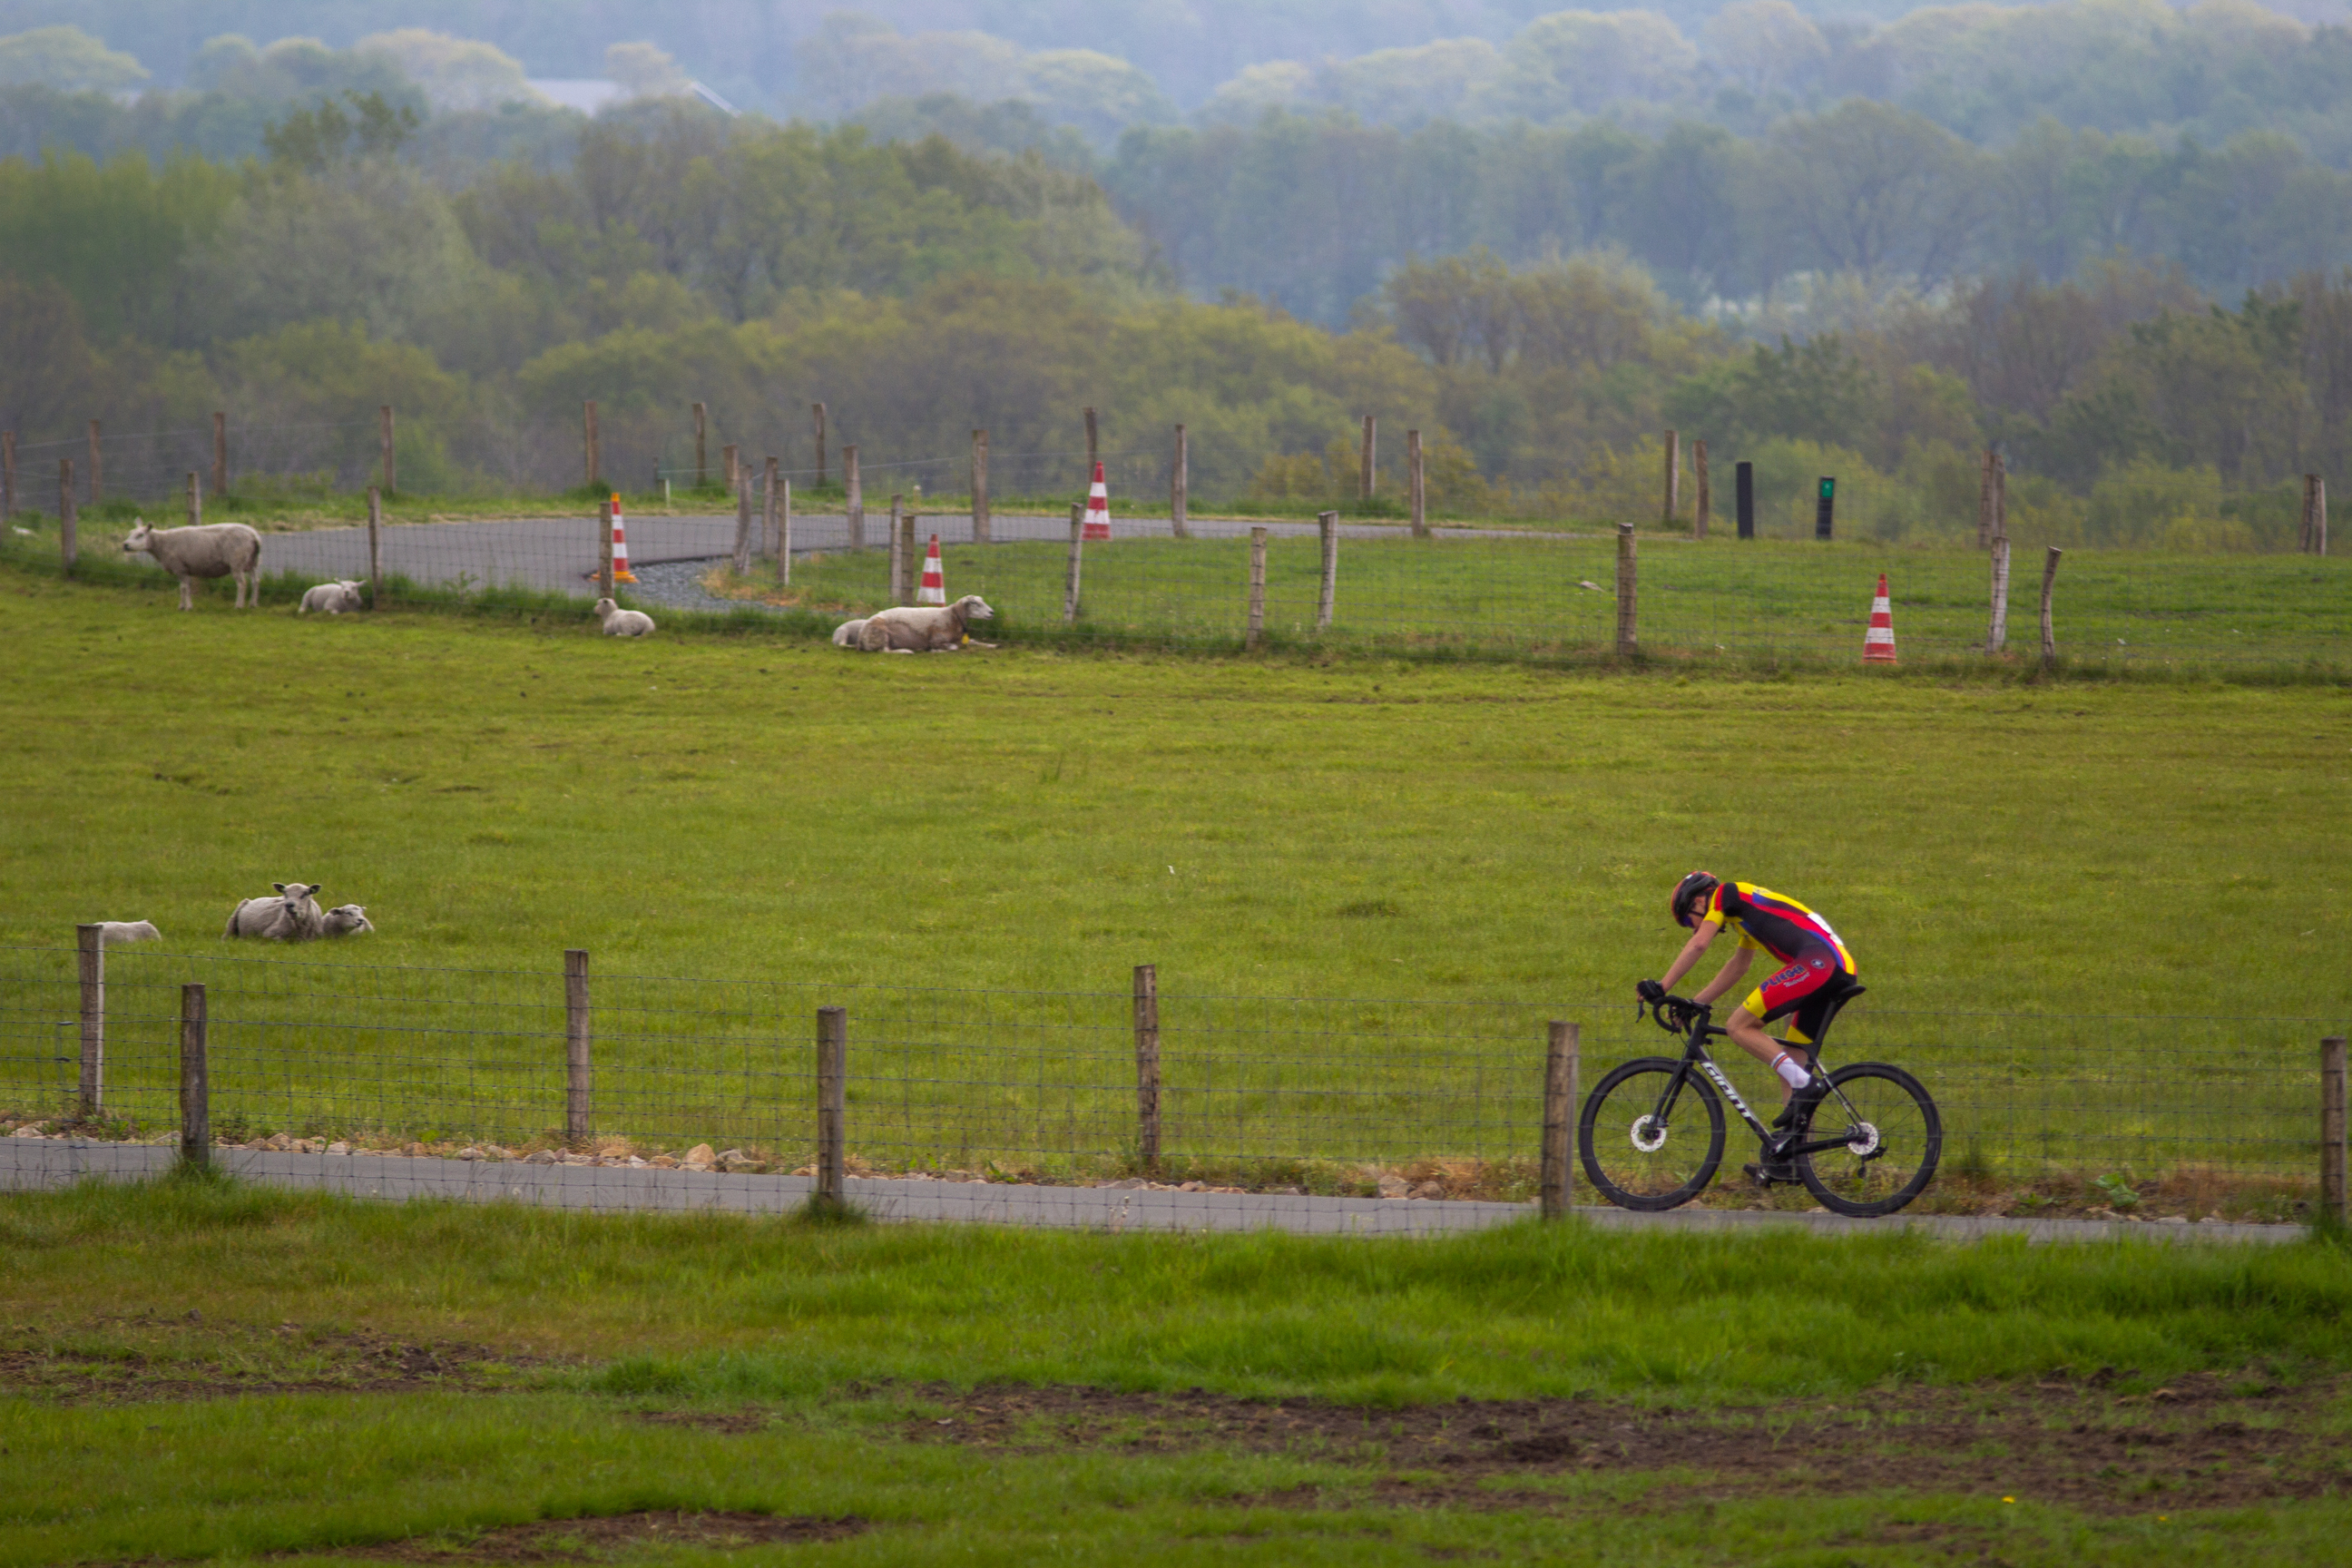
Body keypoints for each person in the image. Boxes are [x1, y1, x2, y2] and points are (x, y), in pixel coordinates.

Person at [1638, 872, 1858, 1183]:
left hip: (1819, 964)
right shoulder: (1744, 913)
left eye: (1688, 921)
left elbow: (1699, 945)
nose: (1694, 928)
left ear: (1699, 900)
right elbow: (1738, 967)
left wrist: (1661, 986)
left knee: (1738, 1026)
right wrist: (1694, 1003)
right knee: (1793, 1055)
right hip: (1837, 967)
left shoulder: (1726, 894)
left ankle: (1806, 1088)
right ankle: (1794, 1161)